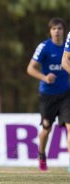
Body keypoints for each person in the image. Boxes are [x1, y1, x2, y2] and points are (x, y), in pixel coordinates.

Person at [27, 17, 70, 172]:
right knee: (46, 129)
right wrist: (45, 77)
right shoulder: (44, 47)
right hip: (48, 95)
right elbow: (30, 69)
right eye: (54, 28)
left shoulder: (68, 47)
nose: (57, 31)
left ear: (64, 31)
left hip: (66, 94)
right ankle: (42, 155)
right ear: (50, 31)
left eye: (59, 28)